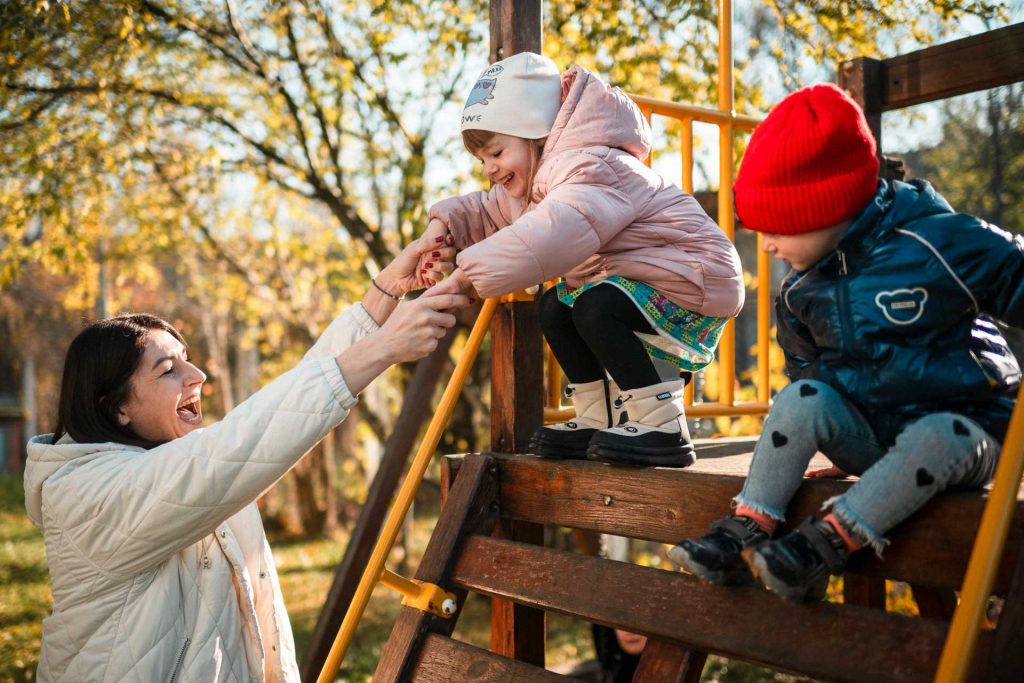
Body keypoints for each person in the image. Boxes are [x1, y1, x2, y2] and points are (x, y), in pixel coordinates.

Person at [23, 236, 469, 682]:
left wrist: (387, 290)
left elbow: (281, 412)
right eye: (167, 370)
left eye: (188, 360)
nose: (197, 376)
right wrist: (382, 348)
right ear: (116, 407)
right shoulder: (86, 495)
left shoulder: (179, 462)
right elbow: (239, 446)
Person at [671, 83, 1024, 601]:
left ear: (828, 210)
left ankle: (822, 547)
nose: (765, 246)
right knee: (800, 397)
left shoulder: (937, 242)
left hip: (972, 434)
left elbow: (1014, 273)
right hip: (878, 438)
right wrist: (836, 431)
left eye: (778, 229)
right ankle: (747, 526)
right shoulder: (800, 288)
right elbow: (808, 376)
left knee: (937, 431)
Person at [426, 52, 744, 467]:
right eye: (482, 160)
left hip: (696, 276)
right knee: (555, 307)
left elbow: (552, 233)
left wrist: (467, 276)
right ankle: (600, 417)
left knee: (596, 308)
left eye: (497, 153)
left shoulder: (592, 165)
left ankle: (664, 427)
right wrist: (442, 230)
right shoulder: (536, 183)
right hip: (643, 278)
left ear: (535, 133)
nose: (489, 169)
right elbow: (487, 211)